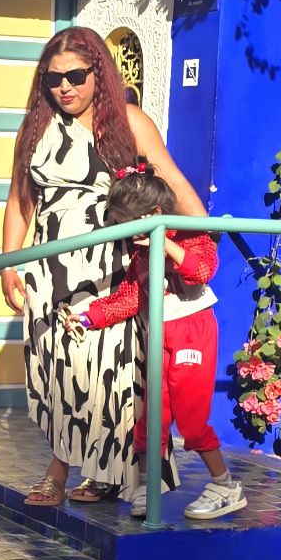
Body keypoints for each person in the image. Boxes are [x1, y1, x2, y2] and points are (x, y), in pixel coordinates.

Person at [0, 26, 206, 508]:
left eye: (75, 76)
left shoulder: (129, 123)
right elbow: (19, 200)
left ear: (99, 73)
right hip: (48, 272)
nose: (65, 87)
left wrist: (204, 235)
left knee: (103, 374)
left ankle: (86, 472)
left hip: (108, 270)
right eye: (53, 79)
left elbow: (173, 183)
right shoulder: (35, 130)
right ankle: (77, 467)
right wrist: (8, 266)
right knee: (56, 371)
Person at [61, 161, 247, 521]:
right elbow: (130, 298)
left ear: (156, 214)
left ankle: (225, 485)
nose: (128, 235)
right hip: (159, 334)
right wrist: (87, 316)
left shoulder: (190, 234)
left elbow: (202, 270)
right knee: (151, 419)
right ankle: (150, 487)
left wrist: (165, 244)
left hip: (192, 331)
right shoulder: (142, 255)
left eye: (131, 224)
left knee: (192, 421)